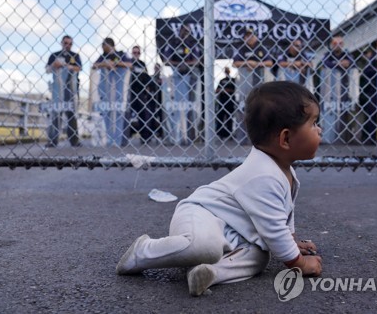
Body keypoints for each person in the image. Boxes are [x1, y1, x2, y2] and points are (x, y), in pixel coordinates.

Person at [116, 81, 323, 296]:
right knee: (204, 247)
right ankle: (142, 251)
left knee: (260, 256)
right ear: (286, 138)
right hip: (200, 213)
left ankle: (209, 273)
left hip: (233, 232)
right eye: (314, 123)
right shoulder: (264, 175)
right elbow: (274, 228)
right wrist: (299, 263)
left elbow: (281, 216)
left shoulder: (282, 171)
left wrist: (291, 242)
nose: (319, 130)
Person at [232, 28, 273, 143]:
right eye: (247, 36)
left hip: (259, 84)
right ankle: (243, 137)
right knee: (243, 109)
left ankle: (260, 137)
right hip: (244, 86)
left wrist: (256, 64)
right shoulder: (242, 49)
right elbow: (235, 63)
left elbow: (270, 62)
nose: (249, 38)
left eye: (251, 36)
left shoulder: (260, 49)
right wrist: (247, 63)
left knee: (259, 109)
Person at [163, 24, 202, 145]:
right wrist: (177, 64)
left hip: (190, 77)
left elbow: (197, 60)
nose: (185, 33)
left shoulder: (192, 44)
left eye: (187, 31)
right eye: (183, 30)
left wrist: (186, 64)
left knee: (190, 107)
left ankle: (190, 137)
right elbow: (166, 60)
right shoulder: (173, 43)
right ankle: (176, 136)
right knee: (176, 106)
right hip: (175, 76)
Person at [92, 38, 132, 147]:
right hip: (106, 91)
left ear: (110, 45)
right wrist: (105, 64)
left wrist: (115, 63)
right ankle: (109, 139)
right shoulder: (103, 56)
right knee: (107, 113)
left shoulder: (120, 54)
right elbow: (94, 65)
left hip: (119, 89)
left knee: (119, 113)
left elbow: (130, 64)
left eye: (104, 46)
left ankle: (118, 139)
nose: (103, 49)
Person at [45, 35, 82, 147]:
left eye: (70, 44)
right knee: (56, 113)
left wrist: (66, 65)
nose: (68, 46)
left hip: (71, 88)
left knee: (71, 114)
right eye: (66, 43)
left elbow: (79, 68)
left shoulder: (75, 55)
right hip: (58, 89)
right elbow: (47, 69)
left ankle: (74, 140)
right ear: (62, 43)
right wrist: (54, 65)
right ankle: (53, 140)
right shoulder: (55, 55)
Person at [319, 36, 355, 143]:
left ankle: (345, 137)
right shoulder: (328, 54)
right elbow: (325, 63)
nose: (337, 45)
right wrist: (338, 64)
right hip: (329, 88)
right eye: (335, 43)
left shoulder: (347, 53)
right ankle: (328, 136)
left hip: (344, 87)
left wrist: (336, 64)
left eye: (339, 43)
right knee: (329, 110)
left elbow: (352, 63)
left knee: (344, 110)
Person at [129, 45, 154, 144]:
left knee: (143, 114)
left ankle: (145, 137)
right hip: (130, 92)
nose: (136, 54)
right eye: (134, 52)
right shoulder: (128, 62)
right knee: (126, 114)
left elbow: (146, 77)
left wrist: (147, 89)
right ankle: (124, 136)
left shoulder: (142, 64)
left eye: (138, 53)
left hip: (140, 92)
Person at [215, 67, 236, 139]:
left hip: (230, 101)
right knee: (220, 117)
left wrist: (225, 90)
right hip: (222, 101)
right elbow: (217, 90)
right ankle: (221, 133)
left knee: (229, 118)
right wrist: (222, 90)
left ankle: (229, 133)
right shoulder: (222, 80)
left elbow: (233, 90)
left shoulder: (232, 80)